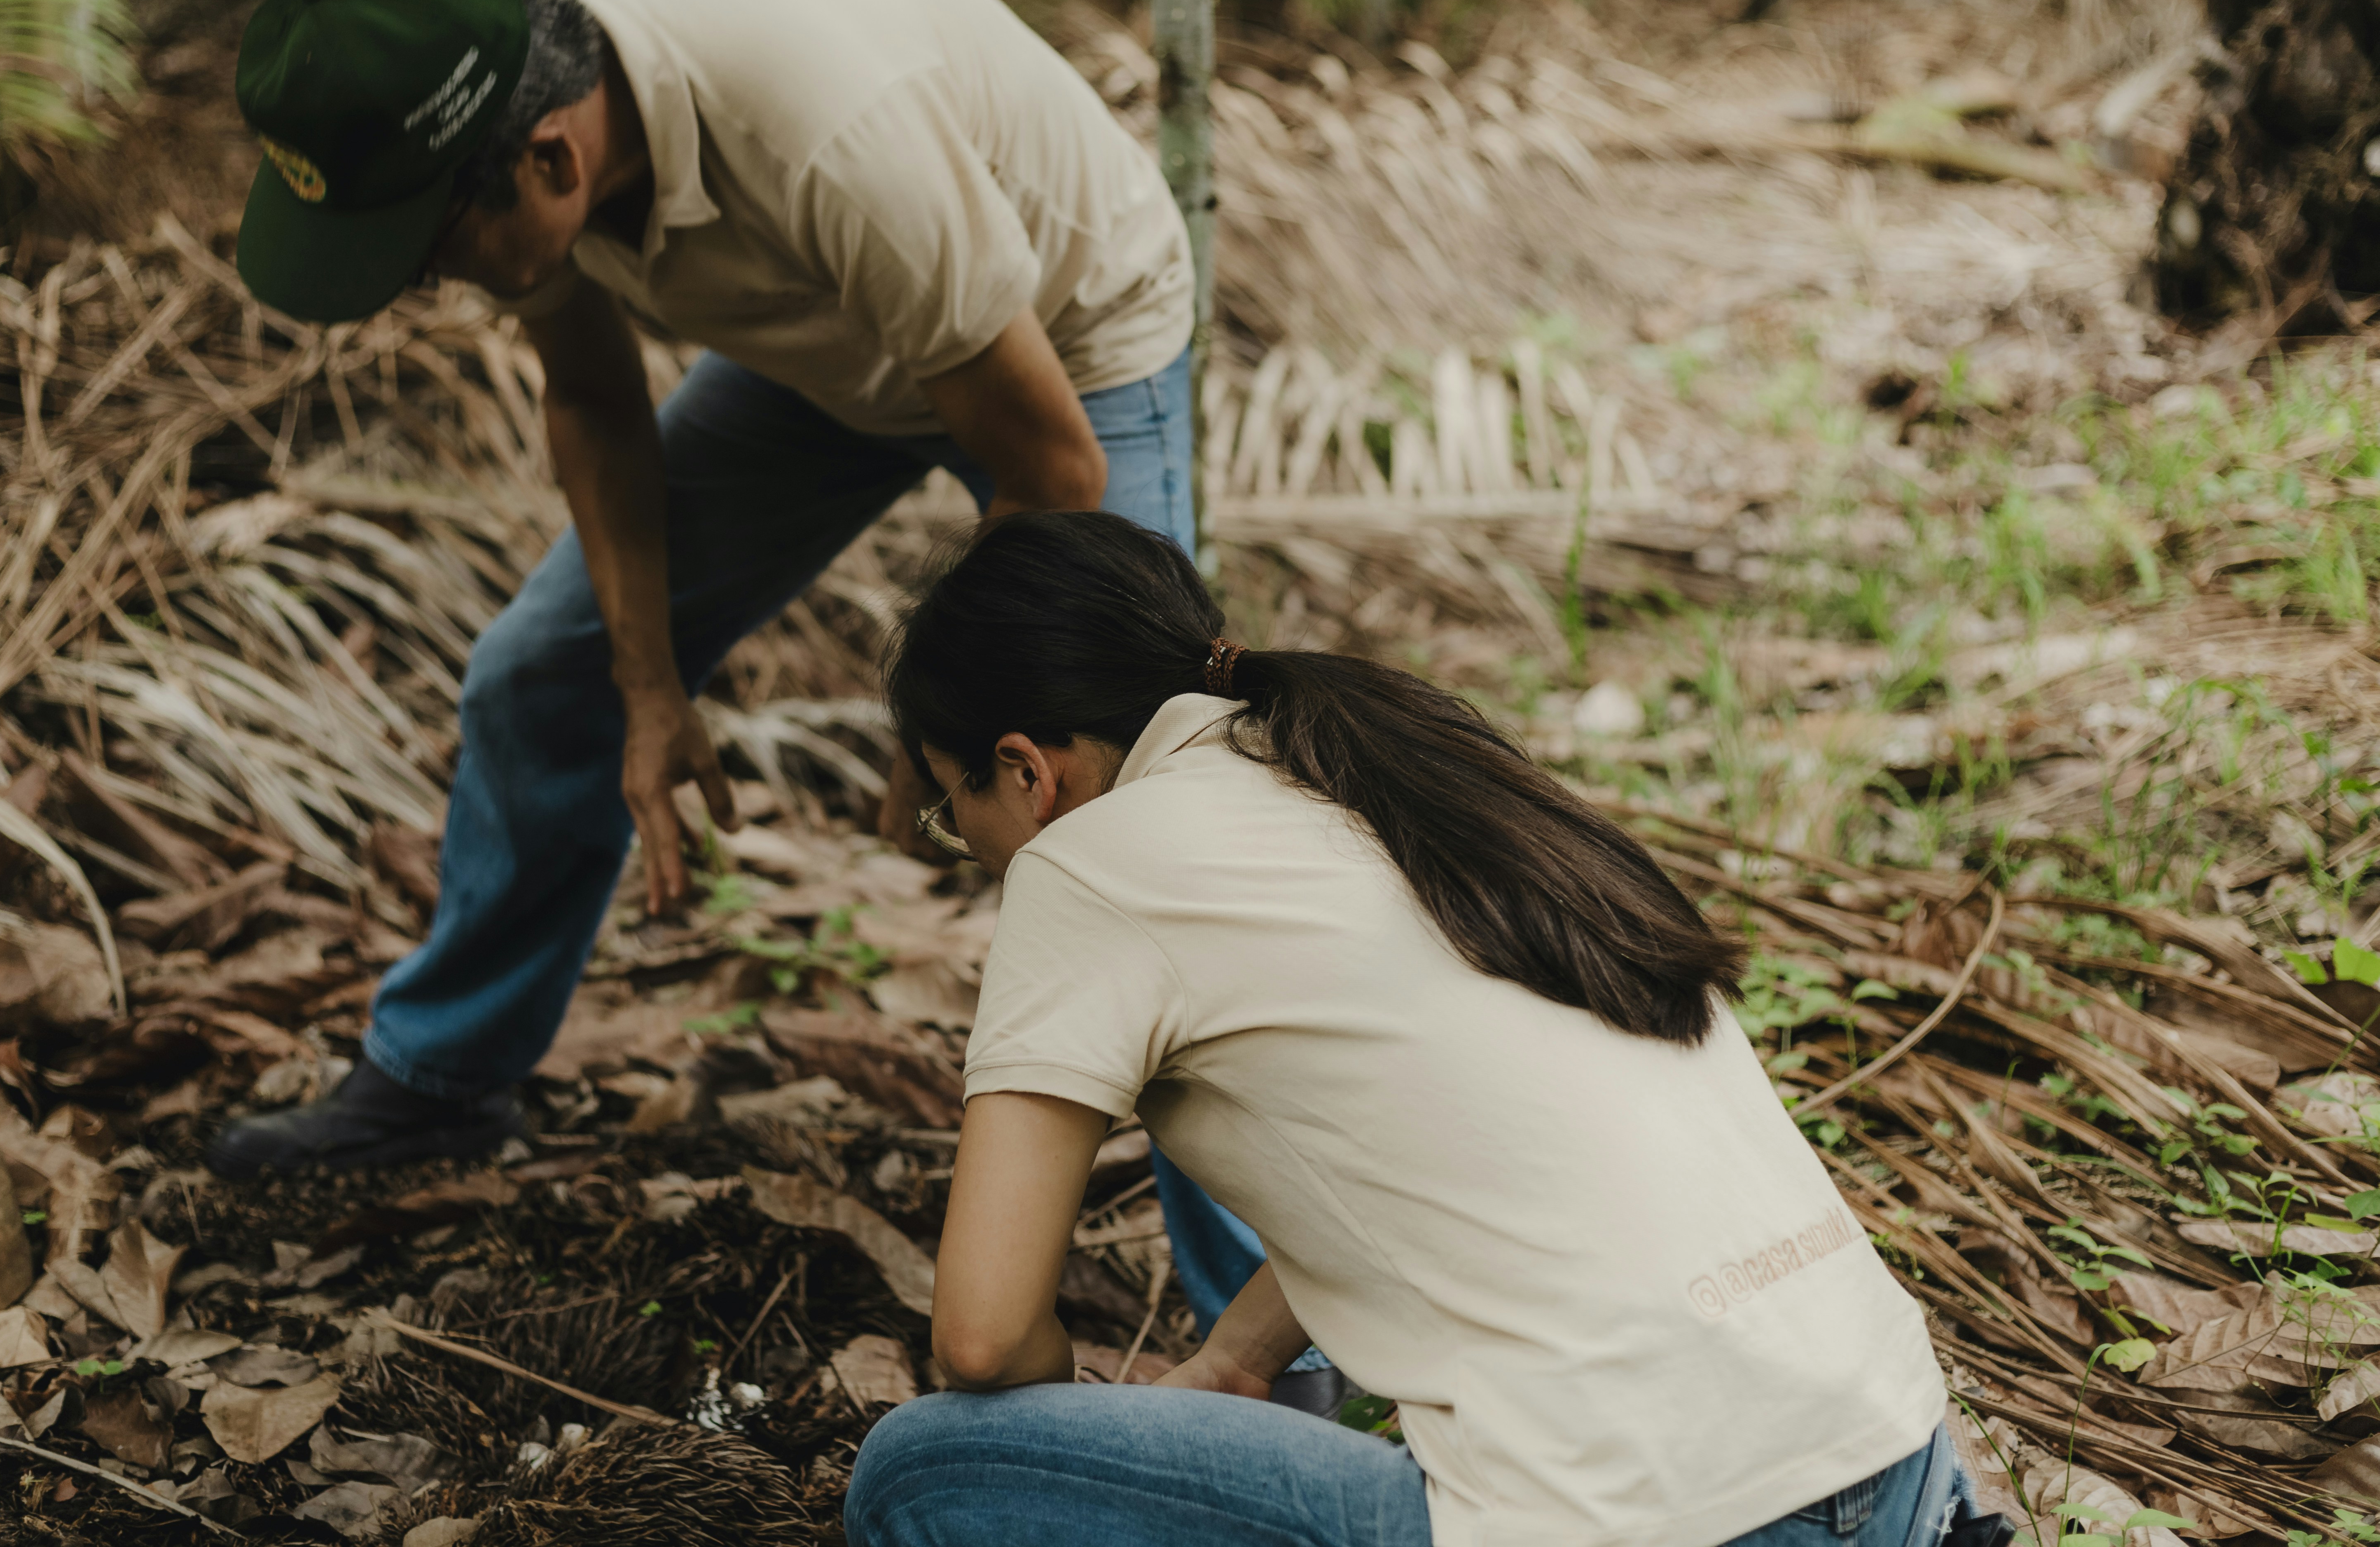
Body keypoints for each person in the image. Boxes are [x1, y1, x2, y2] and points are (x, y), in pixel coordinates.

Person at [202, 0, 1337, 1407]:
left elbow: (1048, 468)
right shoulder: (515, 107)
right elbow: (596, 400)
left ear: (549, 162)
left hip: (1063, 343)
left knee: (1135, 824)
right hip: (833, 350)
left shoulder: (828, 136)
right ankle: (440, 1077)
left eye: (430, 254)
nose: (432, 283)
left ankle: (1269, 1344)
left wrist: (941, 747)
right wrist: (651, 689)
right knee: (541, 676)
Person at [844, 510, 2009, 1547]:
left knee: (923, 1470)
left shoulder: (1086, 865)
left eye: (956, 816)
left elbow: (986, 1340)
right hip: (1896, 1456)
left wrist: (1073, 1410)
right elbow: (1442, 1116)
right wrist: (1240, 1363)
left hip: (1663, 1510)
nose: (978, 853)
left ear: (1026, 770)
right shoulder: (1387, 777)